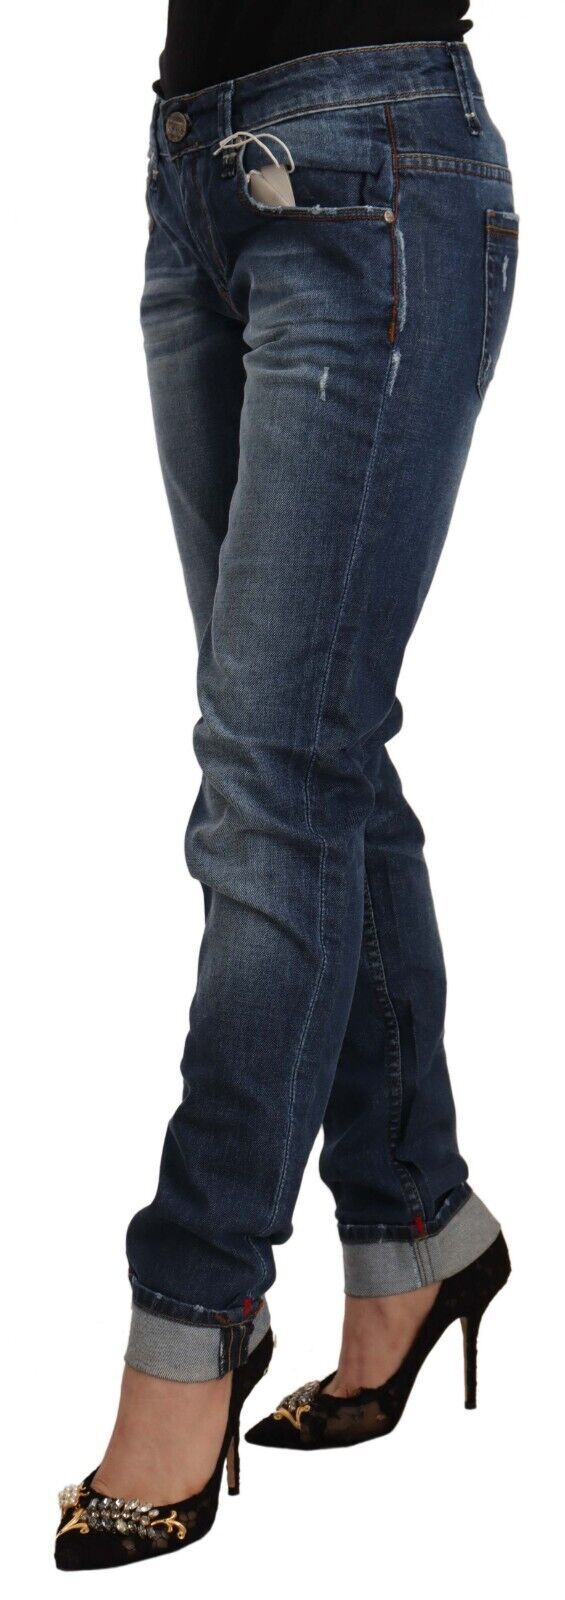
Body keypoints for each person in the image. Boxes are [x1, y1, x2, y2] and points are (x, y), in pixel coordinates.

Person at [55, 1, 517, 1569]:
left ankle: (194, 1312)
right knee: (310, 756)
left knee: (274, 777)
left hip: (367, 154)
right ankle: (413, 1232)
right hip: (194, 161)